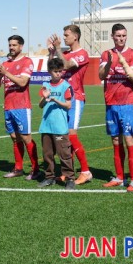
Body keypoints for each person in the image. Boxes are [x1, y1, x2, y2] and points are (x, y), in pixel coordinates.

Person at [47, 24, 92, 184]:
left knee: (71, 135)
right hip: (63, 98)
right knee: (64, 136)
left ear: (75, 36)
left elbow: (66, 65)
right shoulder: (64, 54)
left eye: (66, 35)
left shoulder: (82, 54)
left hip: (75, 98)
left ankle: (85, 171)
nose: (64, 38)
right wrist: (52, 53)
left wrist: (58, 48)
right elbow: (51, 69)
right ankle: (68, 172)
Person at [99, 23, 133, 192]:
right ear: (112, 36)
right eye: (118, 36)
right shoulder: (106, 54)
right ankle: (119, 177)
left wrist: (123, 63)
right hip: (111, 103)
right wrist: (109, 63)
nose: (121, 38)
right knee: (116, 140)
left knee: (129, 139)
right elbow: (101, 75)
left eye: (123, 35)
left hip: (127, 103)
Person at [0, 35, 41, 180]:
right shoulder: (5, 64)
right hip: (8, 106)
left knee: (26, 137)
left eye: (14, 45)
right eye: (10, 45)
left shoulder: (27, 61)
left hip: (21, 106)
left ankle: (36, 169)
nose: (11, 47)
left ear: (21, 46)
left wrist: (6, 73)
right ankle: (18, 168)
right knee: (15, 138)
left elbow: (22, 82)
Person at [36, 58, 76, 189]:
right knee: (47, 154)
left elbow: (68, 105)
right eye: (55, 71)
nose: (58, 74)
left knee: (64, 154)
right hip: (46, 125)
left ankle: (70, 178)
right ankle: (49, 177)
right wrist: (45, 98)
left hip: (60, 126)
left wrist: (55, 100)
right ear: (49, 71)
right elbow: (40, 105)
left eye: (60, 71)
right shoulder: (45, 85)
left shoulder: (66, 86)